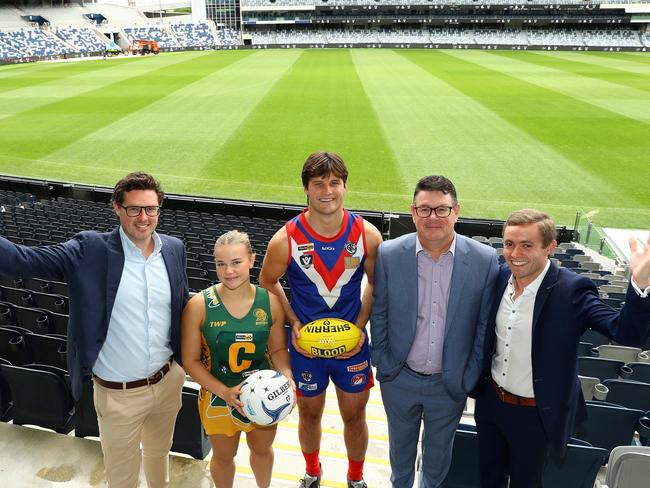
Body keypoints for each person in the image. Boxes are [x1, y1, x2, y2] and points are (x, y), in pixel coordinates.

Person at [0, 172, 189, 488]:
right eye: (134, 209)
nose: (144, 218)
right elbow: (24, 261)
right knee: (122, 477)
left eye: (151, 209)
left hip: (168, 381)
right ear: (116, 208)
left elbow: (181, 305)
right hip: (119, 394)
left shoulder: (174, 248)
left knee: (160, 455)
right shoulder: (89, 249)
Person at [474, 209, 650, 488]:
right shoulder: (499, 277)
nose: (515, 253)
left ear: (550, 247)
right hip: (491, 404)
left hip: (535, 415)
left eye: (527, 245)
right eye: (509, 244)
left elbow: (626, 333)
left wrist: (640, 285)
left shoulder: (573, 289)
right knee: (489, 478)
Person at [259, 151, 382, 488]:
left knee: (354, 416)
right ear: (306, 190)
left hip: (352, 347)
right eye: (319, 184)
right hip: (305, 349)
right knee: (309, 414)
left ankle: (355, 478)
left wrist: (359, 326)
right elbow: (267, 282)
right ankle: (313, 472)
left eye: (334, 183)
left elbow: (375, 283)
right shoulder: (285, 240)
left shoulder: (367, 235)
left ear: (344, 186)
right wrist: (294, 322)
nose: (327, 191)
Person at [369, 175, 499, 488]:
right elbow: (380, 311)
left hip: (449, 383)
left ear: (456, 211)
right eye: (425, 210)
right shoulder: (389, 254)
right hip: (400, 378)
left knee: (437, 460)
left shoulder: (483, 259)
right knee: (399, 458)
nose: (433, 218)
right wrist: (384, 363)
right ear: (413, 212)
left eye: (441, 209)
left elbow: (483, 326)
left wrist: (467, 376)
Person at [181, 230, 293, 488]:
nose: (228, 271)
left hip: (264, 395)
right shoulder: (199, 305)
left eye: (236, 262)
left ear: (252, 260)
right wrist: (225, 391)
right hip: (218, 396)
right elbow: (190, 361)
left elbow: (277, 351)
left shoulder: (271, 303)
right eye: (221, 263)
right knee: (223, 456)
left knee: (263, 451)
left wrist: (287, 377)